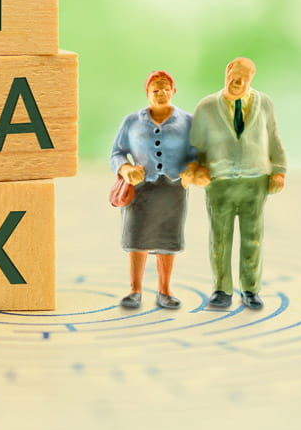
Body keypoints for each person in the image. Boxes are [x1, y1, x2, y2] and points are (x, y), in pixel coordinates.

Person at [189, 57, 286, 309]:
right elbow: (196, 144)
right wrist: (196, 169)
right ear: (227, 73)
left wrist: (278, 169)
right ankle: (221, 288)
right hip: (219, 181)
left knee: (252, 237)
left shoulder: (264, 103)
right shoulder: (207, 106)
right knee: (220, 237)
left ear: (251, 78)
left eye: (244, 77)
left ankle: (250, 288)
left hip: (255, 180)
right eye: (235, 75)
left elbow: (273, 136)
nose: (238, 81)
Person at [109, 71, 207, 310]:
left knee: (167, 240)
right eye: (156, 88)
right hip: (141, 188)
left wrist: (191, 170)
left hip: (172, 187)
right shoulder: (131, 121)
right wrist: (125, 169)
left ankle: (165, 290)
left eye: (165, 88)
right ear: (147, 92)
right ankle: (135, 290)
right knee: (137, 238)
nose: (161, 92)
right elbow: (117, 152)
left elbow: (197, 152)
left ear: (173, 91)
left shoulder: (188, 121)